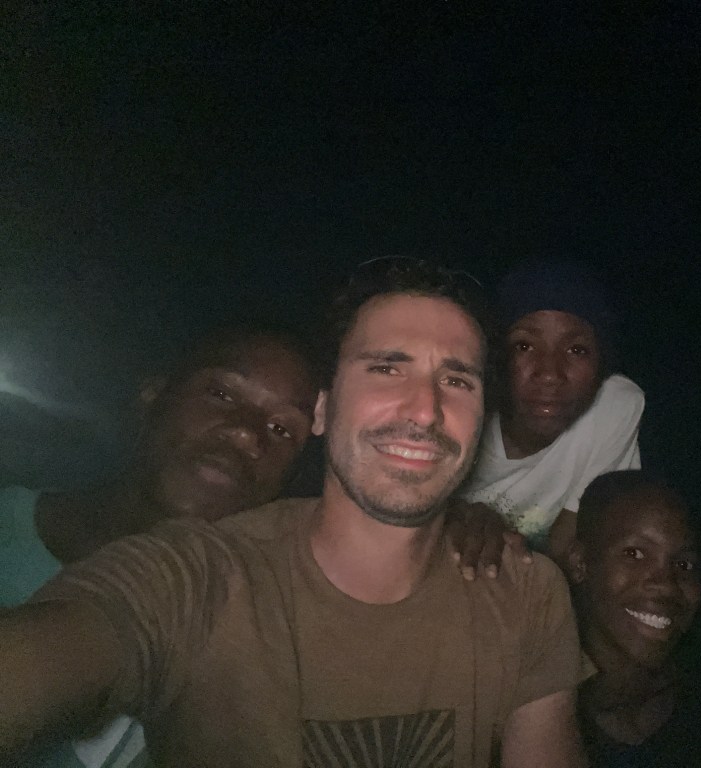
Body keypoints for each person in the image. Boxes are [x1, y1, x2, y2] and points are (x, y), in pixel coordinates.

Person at [0, 258, 585, 767]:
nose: (426, 410)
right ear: (323, 411)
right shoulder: (196, 575)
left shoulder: (525, 594)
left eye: (457, 380)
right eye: (386, 368)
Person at [0, 326, 320, 766]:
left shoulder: (262, 642)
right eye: (222, 394)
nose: (247, 434)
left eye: (282, 428)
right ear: (153, 394)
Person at [568, 470, 701, 767]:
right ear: (580, 563)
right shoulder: (529, 710)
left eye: (684, 564)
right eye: (634, 554)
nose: (666, 584)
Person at [458, 260, 644, 568]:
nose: (549, 374)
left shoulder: (613, 405)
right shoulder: (462, 408)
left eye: (576, 350)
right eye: (524, 346)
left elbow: (565, 553)